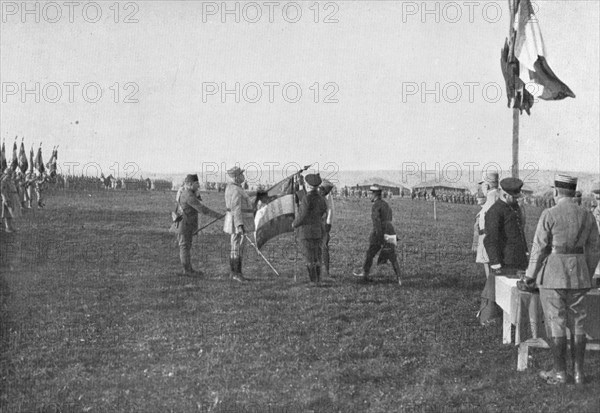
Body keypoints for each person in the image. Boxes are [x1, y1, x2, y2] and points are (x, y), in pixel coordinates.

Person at [522, 175, 600, 385]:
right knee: (578, 322)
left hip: (554, 274)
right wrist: (587, 271)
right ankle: (578, 373)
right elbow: (594, 249)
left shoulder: (549, 213)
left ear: (556, 192)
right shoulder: (588, 216)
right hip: (579, 274)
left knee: (556, 321)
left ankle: (559, 372)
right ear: (573, 192)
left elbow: (539, 248)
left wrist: (530, 275)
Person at [478, 177, 528, 326]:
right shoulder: (495, 211)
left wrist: (524, 252)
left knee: (517, 294)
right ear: (505, 195)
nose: (517, 200)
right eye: (515, 196)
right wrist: (495, 262)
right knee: (499, 294)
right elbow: (490, 239)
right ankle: (490, 319)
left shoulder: (514, 208)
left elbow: (519, 234)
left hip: (517, 260)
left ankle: (516, 322)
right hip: (504, 261)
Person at [174, 174, 223, 277]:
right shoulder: (188, 195)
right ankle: (187, 271)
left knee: (186, 246)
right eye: (196, 183)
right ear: (190, 184)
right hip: (184, 224)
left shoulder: (188, 192)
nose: (199, 185)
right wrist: (219, 216)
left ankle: (188, 269)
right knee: (184, 247)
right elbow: (202, 209)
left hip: (186, 224)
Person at [354, 185, 401, 284]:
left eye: (371, 194)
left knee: (370, 254)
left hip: (380, 232)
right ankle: (399, 278)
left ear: (375, 194)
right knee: (392, 256)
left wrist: (380, 237)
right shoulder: (386, 204)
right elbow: (390, 218)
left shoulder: (376, 206)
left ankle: (365, 275)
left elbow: (376, 222)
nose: (369, 196)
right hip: (390, 231)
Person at [292, 173, 327, 283]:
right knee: (317, 256)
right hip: (318, 231)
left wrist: (294, 224)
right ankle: (317, 279)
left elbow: (302, 216)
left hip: (306, 232)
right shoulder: (321, 198)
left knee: (309, 257)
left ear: (308, 185)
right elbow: (322, 212)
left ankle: (313, 282)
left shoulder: (307, 199)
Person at [223, 166, 255, 282]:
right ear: (237, 177)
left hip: (235, 221)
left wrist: (257, 192)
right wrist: (240, 225)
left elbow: (244, 196)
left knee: (235, 247)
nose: (243, 176)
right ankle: (237, 274)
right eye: (242, 175)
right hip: (238, 222)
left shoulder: (233, 187)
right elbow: (236, 208)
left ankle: (234, 273)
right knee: (238, 248)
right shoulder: (235, 189)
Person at [319, 179, 335, 278]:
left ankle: (326, 270)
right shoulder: (315, 193)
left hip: (323, 224)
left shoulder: (327, 196)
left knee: (324, 247)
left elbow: (330, 209)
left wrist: (328, 223)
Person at [1, 168, 21, 232]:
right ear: (6, 173)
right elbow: (2, 191)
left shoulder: (10, 180)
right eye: (9, 173)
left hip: (12, 197)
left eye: (10, 173)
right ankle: (8, 228)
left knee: (11, 213)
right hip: (8, 197)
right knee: (7, 213)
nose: (10, 174)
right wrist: (6, 199)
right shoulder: (4, 181)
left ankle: (10, 227)